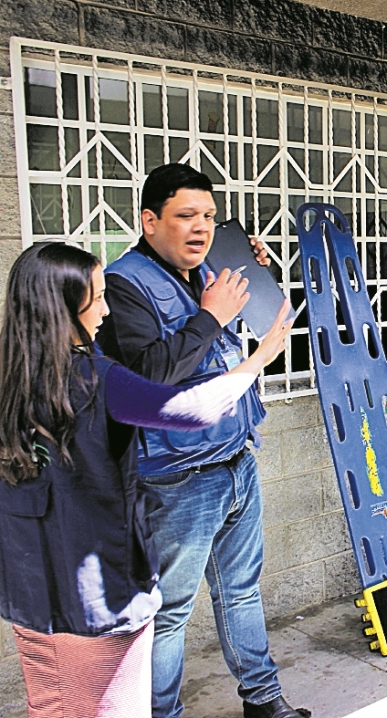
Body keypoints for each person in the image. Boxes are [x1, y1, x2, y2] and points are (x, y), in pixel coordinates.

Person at [0, 242, 291, 717]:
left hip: (31, 598)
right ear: (61, 310)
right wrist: (257, 361)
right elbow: (190, 409)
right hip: (96, 597)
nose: (106, 309)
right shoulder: (95, 378)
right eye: (95, 299)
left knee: (53, 704)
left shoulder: (12, 378)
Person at [95, 164, 307, 718]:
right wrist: (212, 316)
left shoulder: (209, 268)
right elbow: (147, 376)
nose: (202, 228)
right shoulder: (124, 285)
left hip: (236, 458)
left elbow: (269, 319)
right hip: (177, 479)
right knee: (168, 613)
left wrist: (259, 273)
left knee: (242, 591)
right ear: (149, 220)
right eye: (186, 216)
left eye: (209, 217)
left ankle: (264, 701)